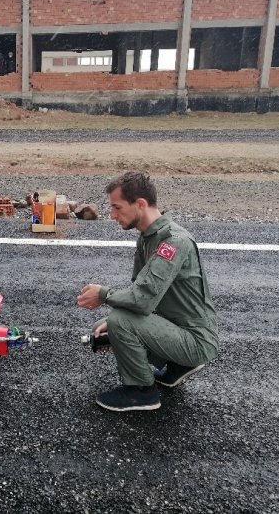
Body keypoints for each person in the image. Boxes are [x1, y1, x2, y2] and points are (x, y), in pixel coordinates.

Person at [77, 171, 218, 412]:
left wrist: (103, 295)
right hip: (177, 326)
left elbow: (141, 301)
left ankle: (141, 392)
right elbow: (140, 290)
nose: (112, 215)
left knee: (120, 320)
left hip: (196, 340)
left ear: (140, 204)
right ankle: (177, 365)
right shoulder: (147, 237)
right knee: (110, 324)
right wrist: (110, 322)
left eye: (117, 207)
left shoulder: (173, 242)